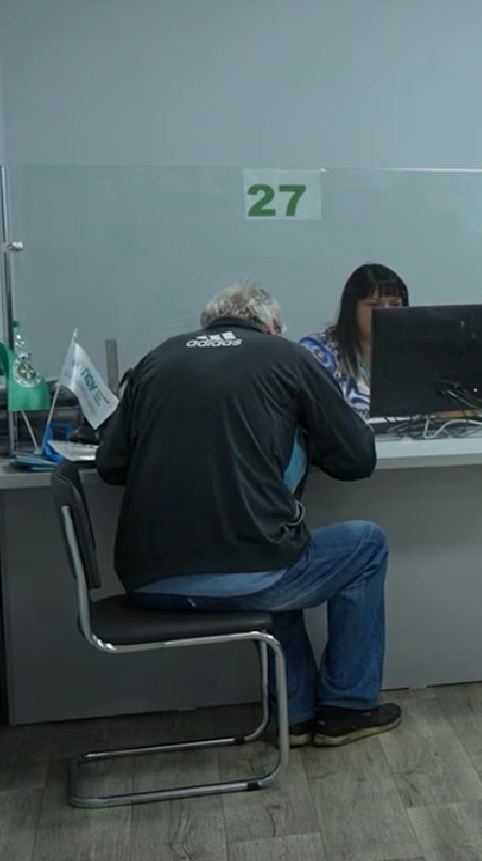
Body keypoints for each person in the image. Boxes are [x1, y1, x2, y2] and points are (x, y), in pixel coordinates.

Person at [97, 282, 401, 748]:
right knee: (361, 544)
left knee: (276, 548)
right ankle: (348, 707)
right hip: (254, 575)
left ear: (208, 324)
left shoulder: (155, 361)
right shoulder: (287, 357)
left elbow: (110, 466)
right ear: (273, 327)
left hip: (150, 581)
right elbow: (357, 460)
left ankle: (295, 716)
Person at [299, 263, 410, 417]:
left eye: (395, 305)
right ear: (351, 309)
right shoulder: (317, 354)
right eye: (374, 305)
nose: (386, 313)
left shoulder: (416, 355)